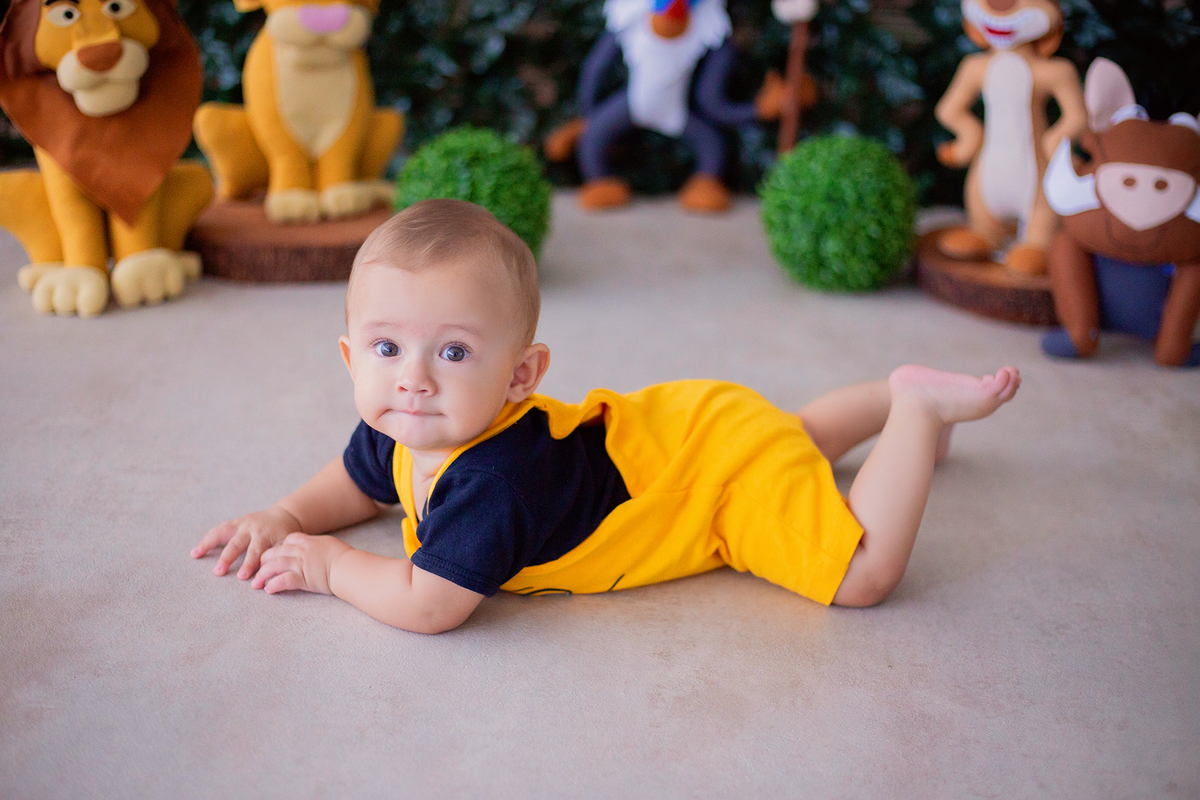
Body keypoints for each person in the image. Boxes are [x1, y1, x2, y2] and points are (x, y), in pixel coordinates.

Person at [192, 199, 1021, 634]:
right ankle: (888, 397)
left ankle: (913, 410)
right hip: (689, 425)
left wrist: (331, 567)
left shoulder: (496, 481)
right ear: (349, 358)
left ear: (523, 375)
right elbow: (356, 479)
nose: (411, 381)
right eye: (384, 349)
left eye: (452, 353)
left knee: (861, 574)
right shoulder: (405, 427)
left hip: (710, 482)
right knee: (789, 436)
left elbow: (429, 605)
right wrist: (287, 514)